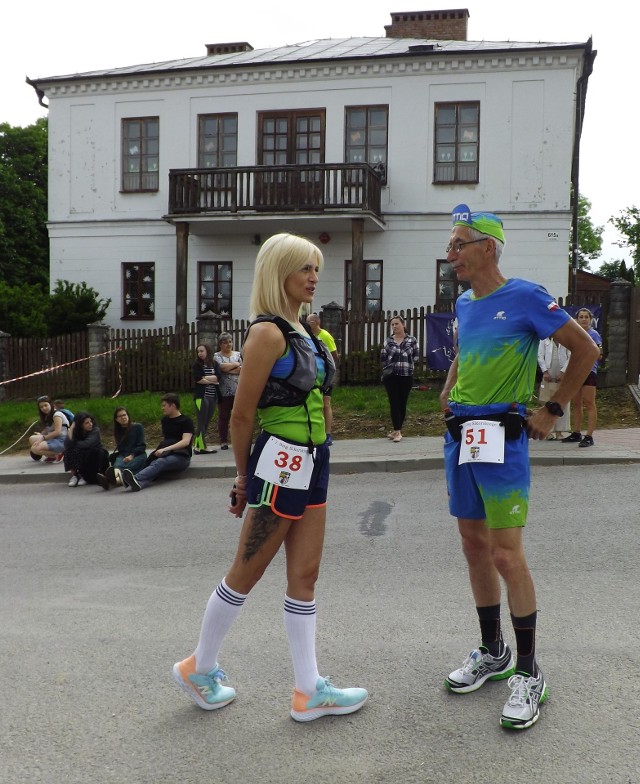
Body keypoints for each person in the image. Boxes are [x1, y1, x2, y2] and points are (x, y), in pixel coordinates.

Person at [172, 232, 368, 722]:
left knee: (305, 575)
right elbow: (241, 415)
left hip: (314, 460)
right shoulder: (267, 333)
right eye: (303, 267)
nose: (313, 276)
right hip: (279, 460)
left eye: (315, 268)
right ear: (277, 272)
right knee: (248, 569)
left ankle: (308, 690)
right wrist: (242, 477)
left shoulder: (304, 330)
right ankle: (199, 664)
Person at [439, 203, 599, 730]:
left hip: (504, 436)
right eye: (451, 244)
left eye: (459, 244)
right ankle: (493, 652)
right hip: (462, 434)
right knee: (472, 546)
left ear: (488, 247)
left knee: (507, 556)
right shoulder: (464, 302)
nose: (451, 253)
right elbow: (467, 352)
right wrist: (447, 392)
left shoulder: (527, 296)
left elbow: (586, 349)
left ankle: (529, 673)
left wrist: (553, 410)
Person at [120, 393, 194, 491]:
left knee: (160, 462)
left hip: (182, 456)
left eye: (164, 406)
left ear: (173, 405)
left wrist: (165, 449)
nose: (162, 408)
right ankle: (139, 484)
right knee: (154, 464)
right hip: (167, 453)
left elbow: (185, 442)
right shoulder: (165, 421)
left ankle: (134, 478)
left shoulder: (186, 421)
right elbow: (168, 440)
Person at [561, 307, 603, 448]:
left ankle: (589, 436)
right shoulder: (575, 335)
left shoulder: (594, 334)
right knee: (576, 404)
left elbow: (599, 354)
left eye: (586, 317)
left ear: (591, 320)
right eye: (581, 317)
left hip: (589, 372)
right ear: (576, 320)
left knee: (589, 403)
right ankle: (576, 432)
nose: (584, 319)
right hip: (575, 372)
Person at [380, 315, 419, 443]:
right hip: (391, 377)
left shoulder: (412, 340)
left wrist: (408, 365)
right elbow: (383, 357)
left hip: (406, 376)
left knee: (402, 403)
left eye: (397, 324)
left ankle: (398, 429)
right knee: (394, 402)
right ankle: (397, 431)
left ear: (403, 325)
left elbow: (416, 356)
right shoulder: (388, 341)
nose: (394, 326)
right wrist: (389, 368)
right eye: (392, 324)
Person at [305, 312, 339, 446]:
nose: (307, 324)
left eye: (309, 322)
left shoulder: (325, 336)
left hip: (325, 376)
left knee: (326, 403)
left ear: (316, 322)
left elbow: (334, 356)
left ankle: (328, 433)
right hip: (312, 376)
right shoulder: (308, 336)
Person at [98, 407, 147, 489]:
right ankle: (116, 479)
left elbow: (142, 445)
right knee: (117, 466)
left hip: (137, 455)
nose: (123, 417)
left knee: (121, 469)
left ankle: (109, 480)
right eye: (120, 416)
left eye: (124, 415)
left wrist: (132, 455)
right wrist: (124, 457)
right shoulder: (117, 430)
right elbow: (121, 448)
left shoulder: (137, 427)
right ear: (116, 419)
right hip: (123, 455)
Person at [537, 338, 571, 439]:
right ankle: (548, 431)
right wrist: (545, 371)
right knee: (548, 402)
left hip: (563, 372)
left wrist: (563, 372)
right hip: (548, 371)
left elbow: (570, 356)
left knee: (563, 401)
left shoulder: (565, 338)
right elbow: (540, 355)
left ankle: (559, 431)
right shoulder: (544, 339)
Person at [64, 412, 109, 487]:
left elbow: (86, 444)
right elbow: (66, 445)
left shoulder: (95, 430)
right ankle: (76, 475)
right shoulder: (76, 431)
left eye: (91, 421)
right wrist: (71, 428)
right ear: (80, 425)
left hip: (93, 455)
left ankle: (85, 477)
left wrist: (73, 444)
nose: (90, 424)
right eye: (87, 423)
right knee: (68, 451)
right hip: (82, 454)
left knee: (89, 451)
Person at [213, 332, 242, 450]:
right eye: (225, 342)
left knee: (239, 416)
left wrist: (228, 368)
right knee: (224, 416)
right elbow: (220, 368)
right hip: (223, 391)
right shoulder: (216, 356)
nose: (228, 344)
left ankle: (239, 440)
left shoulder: (238, 354)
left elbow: (242, 369)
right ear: (220, 344)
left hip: (238, 390)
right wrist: (235, 365)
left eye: (230, 341)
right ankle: (223, 441)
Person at [192, 344, 219, 454]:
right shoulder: (197, 365)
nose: (200, 353)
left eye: (202, 351)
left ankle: (199, 445)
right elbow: (197, 379)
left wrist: (205, 378)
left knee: (206, 422)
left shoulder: (214, 364)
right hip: (201, 397)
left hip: (212, 396)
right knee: (201, 422)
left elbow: (218, 377)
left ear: (207, 351)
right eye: (198, 351)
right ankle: (201, 447)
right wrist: (211, 381)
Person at [28, 395, 69, 463]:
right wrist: (41, 434)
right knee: (32, 439)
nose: (44, 408)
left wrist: (43, 438)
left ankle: (59, 454)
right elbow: (48, 429)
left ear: (50, 404)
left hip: (62, 440)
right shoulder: (47, 415)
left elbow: (57, 432)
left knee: (34, 449)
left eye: (45, 405)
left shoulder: (57, 415)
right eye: (41, 407)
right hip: (54, 438)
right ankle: (51, 456)